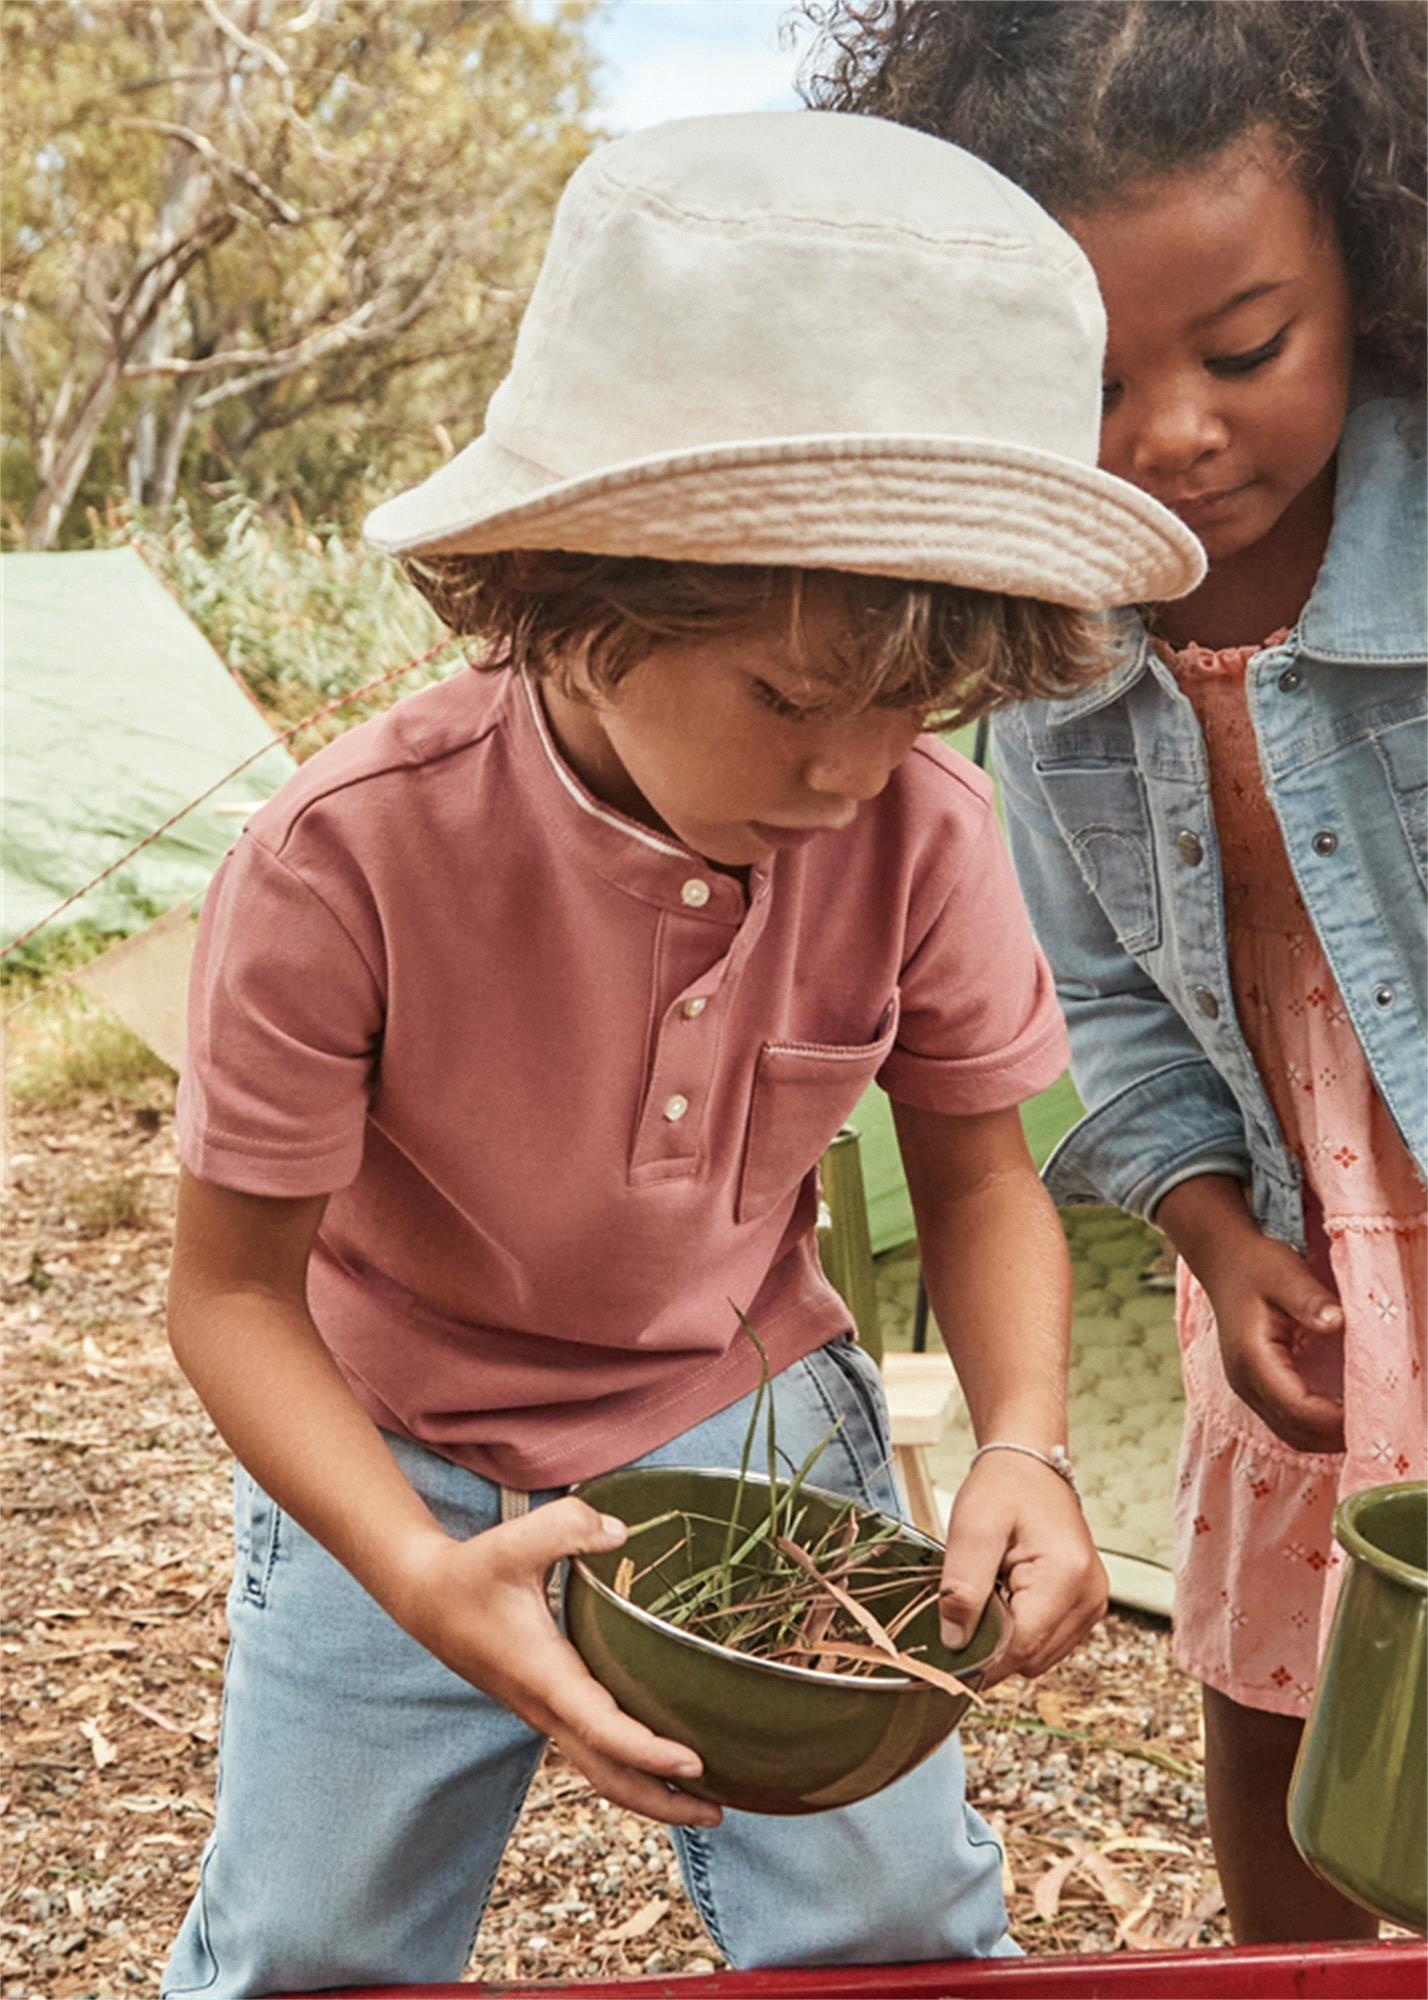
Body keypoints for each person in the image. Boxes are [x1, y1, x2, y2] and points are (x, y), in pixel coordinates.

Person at [160, 109, 1203, 1993]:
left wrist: (1029, 1445)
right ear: (574, 596)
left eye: (913, 711)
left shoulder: (920, 833)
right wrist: (410, 1573)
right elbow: (231, 1295)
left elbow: (979, 1173)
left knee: (888, 1926)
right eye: (788, 698)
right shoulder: (345, 862)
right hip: (397, 1442)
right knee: (310, 1951)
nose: (840, 772)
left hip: (741, 1416)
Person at [803, 0, 1427, 1945]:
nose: (1170, 434)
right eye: (1082, 378)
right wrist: (1211, 1226)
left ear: (1373, 256)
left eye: (1244, 349)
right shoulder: (1058, 657)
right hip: (1307, 1239)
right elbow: (1116, 1003)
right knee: (1285, 1690)